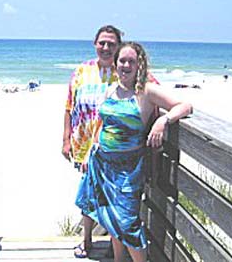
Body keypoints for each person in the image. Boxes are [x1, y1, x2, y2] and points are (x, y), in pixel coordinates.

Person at [76, 42, 192, 262]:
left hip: (128, 170)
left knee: (128, 223)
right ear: (115, 63)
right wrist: (91, 148)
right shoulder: (111, 88)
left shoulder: (146, 91)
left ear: (140, 64)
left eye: (132, 61)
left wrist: (162, 121)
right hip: (102, 166)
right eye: (122, 61)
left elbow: (185, 105)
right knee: (111, 219)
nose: (126, 65)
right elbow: (102, 123)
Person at [62, 25, 123, 258]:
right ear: (95, 44)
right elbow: (68, 107)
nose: (106, 48)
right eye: (102, 43)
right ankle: (86, 239)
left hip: (114, 148)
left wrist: (161, 119)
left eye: (111, 44)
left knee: (111, 195)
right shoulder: (81, 71)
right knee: (89, 193)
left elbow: (150, 89)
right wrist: (65, 139)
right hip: (85, 147)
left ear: (119, 47)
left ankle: (112, 242)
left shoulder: (126, 70)